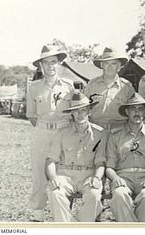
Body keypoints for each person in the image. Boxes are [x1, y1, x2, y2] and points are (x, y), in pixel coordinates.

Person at [26, 43, 75, 221]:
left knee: (63, 174)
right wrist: (45, 128)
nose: (50, 66)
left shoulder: (69, 87)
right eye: (45, 63)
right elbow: (31, 115)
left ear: (59, 64)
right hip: (42, 133)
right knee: (40, 174)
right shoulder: (34, 87)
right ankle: (37, 214)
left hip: (63, 133)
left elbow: (73, 113)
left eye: (53, 62)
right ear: (41, 65)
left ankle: (62, 216)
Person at [45, 92, 106, 222]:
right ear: (71, 113)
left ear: (89, 111)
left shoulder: (100, 134)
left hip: (88, 175)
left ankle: (78, 226)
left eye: (83, 110)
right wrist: (53, 177)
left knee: (94, 195)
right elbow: (50, 160)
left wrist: (97, 177)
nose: (80, 114)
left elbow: (100, 163)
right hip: (66, 175)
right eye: (76, 111)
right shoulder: (62, 133)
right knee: (56, 193)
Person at [106, 92, 145, 222]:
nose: (137, 113)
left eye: (141, 109)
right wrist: (115, 178)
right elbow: (109, 166)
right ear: (127, 111)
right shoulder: (115, 135)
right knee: (119, 195)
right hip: (123, 177)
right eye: (133, 109)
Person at [84, 47, 135, 130]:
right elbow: (84, 109)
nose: (110, 67)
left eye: (114, 63)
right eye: (107, 63)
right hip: (96, 129)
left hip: (119, 130)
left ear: (119, 66)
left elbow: (133, 111)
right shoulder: (91, 85)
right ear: (102, 65)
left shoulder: (127, 87)